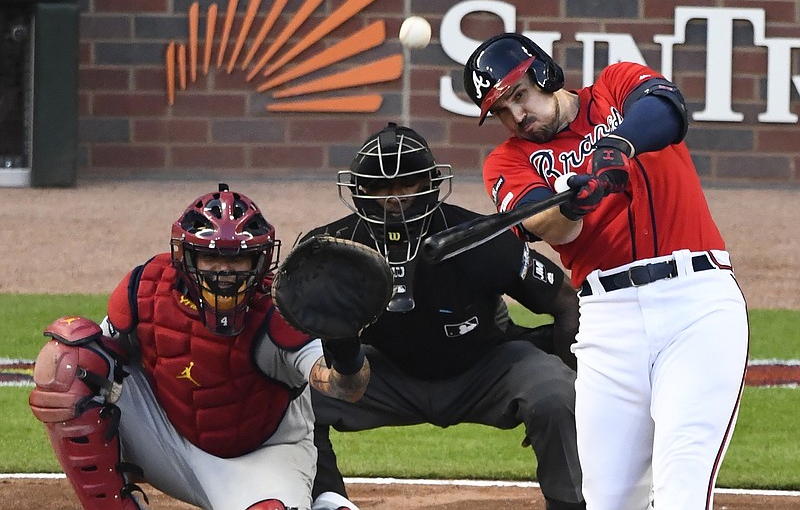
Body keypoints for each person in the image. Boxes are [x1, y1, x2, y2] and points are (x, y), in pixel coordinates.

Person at [462, 33, 749, 509]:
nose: (517, 116)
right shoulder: (506, 160)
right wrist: (577, 200)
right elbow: (543, 222)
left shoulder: (615, 87)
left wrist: (617, 145)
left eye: (519, 96)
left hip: (695, 304)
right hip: (609, 324)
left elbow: (667, 107)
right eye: (501, 111)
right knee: (608, 500)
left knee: (682, 489)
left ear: (544, 74)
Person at [29, 183, 370, 510]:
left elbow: (345, 387)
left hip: (260, 456)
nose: (225, 273)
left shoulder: (281, 313)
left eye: (239, 261)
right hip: (164, 438)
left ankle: (326, 504)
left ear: (261, 261)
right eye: (212, 259)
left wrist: (344, 344)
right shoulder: (146, 291)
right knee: (68, 362)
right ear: (185, 258)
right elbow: (94, 363)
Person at [306, 122, 585, 510]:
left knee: (555, 391)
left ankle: (572, 503)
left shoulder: (479, 237)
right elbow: (291, 341)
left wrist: (573, 399)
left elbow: (565, 302)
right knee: (289, 397)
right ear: (359, 192)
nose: (394, 198)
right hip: (382, 374)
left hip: (487, 366)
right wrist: (341, 361)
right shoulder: (331, 252)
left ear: (432, 185)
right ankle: (329, 502)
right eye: (381, 187)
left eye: (408, 184)